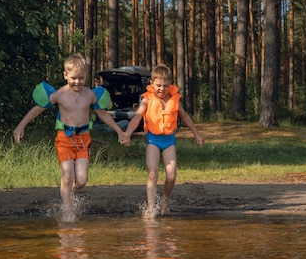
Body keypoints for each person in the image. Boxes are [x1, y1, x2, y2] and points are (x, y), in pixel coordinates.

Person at [13, 54, 129, 216]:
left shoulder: (90, 95)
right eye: (73, 78)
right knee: (67, 176)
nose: (77, 82)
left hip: (83, 139)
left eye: (81, 78)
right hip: (64, 139)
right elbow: (38, 109)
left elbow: (103, 115)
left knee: (81, 180)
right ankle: (68, 213)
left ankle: (69, 193)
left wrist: (119, 131)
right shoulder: (59, 94)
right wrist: (20, 126)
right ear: (65, 75)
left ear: (86, 76)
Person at [123, 64, 204, 217]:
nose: (161, 89)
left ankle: (165, 200)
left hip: (169, 140)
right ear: (152, 84)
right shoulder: (147, 100)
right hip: (153, 139)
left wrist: (196, 134)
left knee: (171, 175)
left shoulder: (174, 99)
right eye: (158, 85)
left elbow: (185, 117)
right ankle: (151, 208)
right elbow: (138, 116)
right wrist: (127, 133)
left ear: (171, 84)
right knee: (153, 173)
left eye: (165, 86)